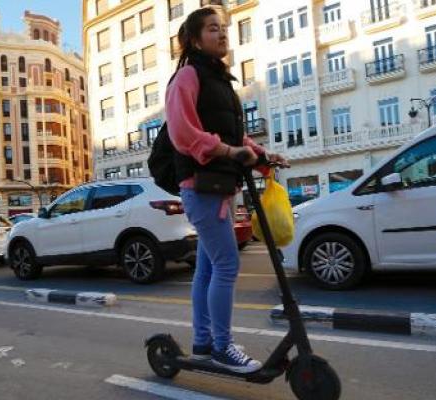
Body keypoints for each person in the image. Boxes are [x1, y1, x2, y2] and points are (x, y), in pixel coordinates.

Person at [165, 7, 288, 374]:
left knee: (207, 269)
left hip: (221, 186)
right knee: (227, 265)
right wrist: (227, 151)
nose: (222, 34)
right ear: (194, 39)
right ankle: (222, 346)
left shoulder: (219, 80)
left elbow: (237, 138)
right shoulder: (187, 76)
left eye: (223, 29)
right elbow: (182, 133)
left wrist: (264, 157)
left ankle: (204, 343)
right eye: (212, 29)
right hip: (201, 186)